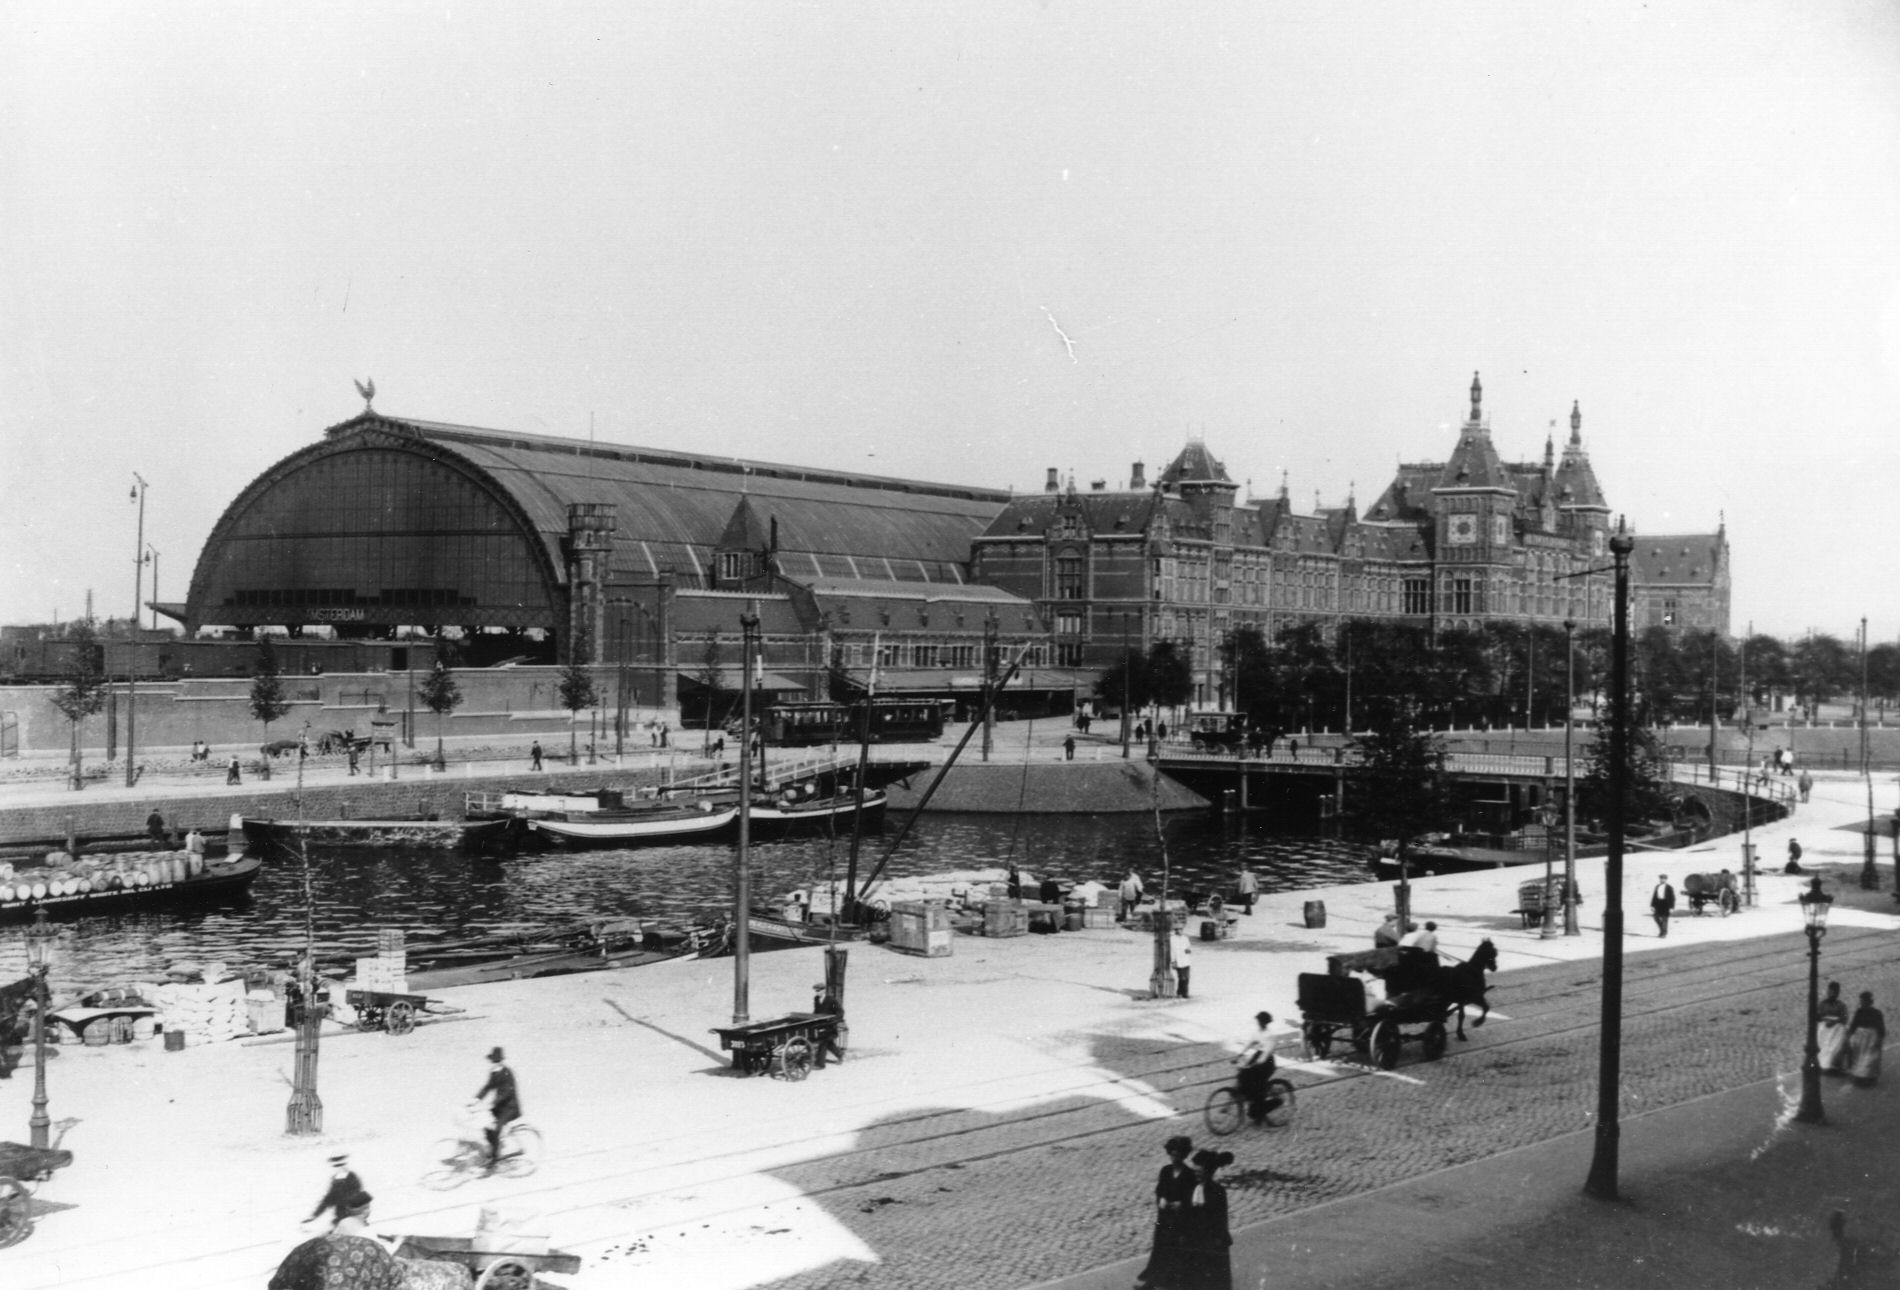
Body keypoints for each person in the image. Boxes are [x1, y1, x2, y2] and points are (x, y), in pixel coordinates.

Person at [1134, 1135, 1199, 1290]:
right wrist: (1161, 1199)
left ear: (1184, 1155)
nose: (1175, 1158)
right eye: (1172, 1154)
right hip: (1165, 1218)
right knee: (1160, 1249)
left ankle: (1168, 1283)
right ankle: (1154, 1281)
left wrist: (1182, 1204)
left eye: (1178, 1155)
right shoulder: (1165, 1171)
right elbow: (1160, 1190)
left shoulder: (1189, 1175)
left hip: (1180, 1221)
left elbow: (1192, 1198)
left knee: (1174, 1251)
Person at [1180, 1149, 1236, 1289]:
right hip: (1195, 1239)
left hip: (1212, 1241)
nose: (1196, 1174)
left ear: (1208, 1172)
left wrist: (1217, 1239)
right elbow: (1186, 1213)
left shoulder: (1217, 1191)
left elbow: (1221, 1218)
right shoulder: (1192, 1188)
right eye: (1195, 1172)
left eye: (1199, 1172)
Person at [474, 1046, 522, 1172]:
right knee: (486, 1125)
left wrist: (493, 1103)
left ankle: (494, 1159)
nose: (495, 1062)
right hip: (499, 1107)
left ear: (500, 1060)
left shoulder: (507, 1072)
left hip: (509, 1107)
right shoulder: (494, 1072)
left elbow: (507, 1092)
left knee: (495, 1129)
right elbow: (488, 1087)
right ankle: (494, 1150)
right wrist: (476, 1099)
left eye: (497, 1060)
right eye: (493, 1060)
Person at [305, 1153, 371, 1228]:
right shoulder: (336, 1180)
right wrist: (314, 1215)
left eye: (340, 1165)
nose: (339, 1168)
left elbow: (357, 1201)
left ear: (344, 1165)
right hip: (341, 1220)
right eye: (336, 1166)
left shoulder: (352, 1178)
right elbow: (328, 1199)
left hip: (353, 1220)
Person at [1235, 1011, 1278, 1123]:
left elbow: (1268, 1050)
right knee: (1243, 1075)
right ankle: (1253, 1105)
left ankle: (1259, 1112)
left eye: (1261, 1021)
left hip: (1267, 1061)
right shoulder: (1257, 1032)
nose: (1259, 1023)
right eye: (1258, 1021)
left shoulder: (1271, 1035)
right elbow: (1250, 1043)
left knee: (1258, 1086)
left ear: (1266, 1022)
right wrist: (1240, 1054)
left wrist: (1260, 1061)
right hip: (1257, 1057)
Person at [1846, 991, 1885, 1087]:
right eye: (1862, 1001)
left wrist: (1879, 1037)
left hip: (1872, 1037)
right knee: (1859, 1056)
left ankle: (1869, 1077)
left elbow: (1880, 1027)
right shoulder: (1859, 1012)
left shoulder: (1876, 1013)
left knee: (1870, 1057)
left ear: (1870, 1002)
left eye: (1865, 1002)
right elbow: (1854, 1025)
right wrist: (1850, 1034)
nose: (1863, 1004)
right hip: (1860, 1037)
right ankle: (1859, 1076)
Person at [1818, 980, 1851, 1073]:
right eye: (1830, 992)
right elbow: (1818, 1017)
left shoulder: (1841, 1005)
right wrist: (1825, 1020)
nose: (1832, 994)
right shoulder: (1822, 1004)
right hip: (1825, 1027)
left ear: (1838, 993)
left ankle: (1833, 1063)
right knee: (1820, 1033)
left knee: (1840, 1036)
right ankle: (1822, 1062)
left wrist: (1835, 1021)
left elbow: (1844, 1018)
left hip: (1836, 1027)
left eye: (1835, 992)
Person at [812, 984, 845, 1069]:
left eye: (818, 990)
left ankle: (820, 1064)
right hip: (821, 1025)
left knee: (823, 1042)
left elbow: (840, 1012)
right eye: (816, 991)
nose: (816, 992)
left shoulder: (831, 1000)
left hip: (830, 1026)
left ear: (823, 990)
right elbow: (816, 1011)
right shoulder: (816, 999)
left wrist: (834, 1020)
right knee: (829, 1043)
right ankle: (840, 1054)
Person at [1169, 924, 1192, 998]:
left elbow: (1188, 947)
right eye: (1178, 929)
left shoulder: (1185, 938)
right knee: (1182, 978)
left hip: (1186, 960)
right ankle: (1180, 992)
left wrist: (1188, 950)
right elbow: (1171, 951)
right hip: (1178, 961)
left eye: (1181, 929)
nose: (1179, 931)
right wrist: (1173, 961)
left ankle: (1185, 993)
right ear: (1175, 930)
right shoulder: (1172, 939)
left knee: (1187, 977)